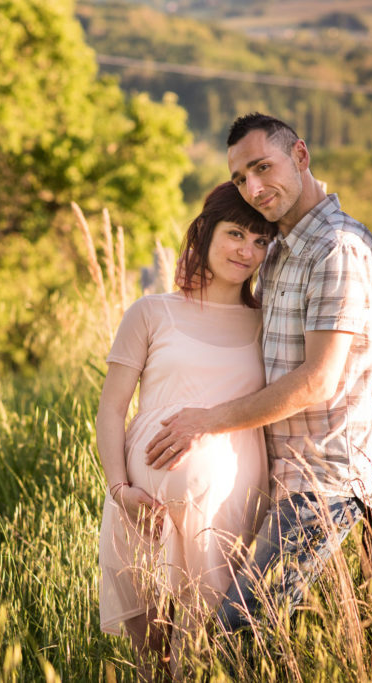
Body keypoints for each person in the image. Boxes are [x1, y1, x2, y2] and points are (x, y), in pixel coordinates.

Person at [143, 112, 372, 632]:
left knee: (236, 634)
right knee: (239, 637)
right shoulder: (279, 250)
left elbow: (318, 381)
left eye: (262, 167)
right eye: (239, 178)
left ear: (300, 155)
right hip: (279, 478)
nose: (253, 188)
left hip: (322, 483)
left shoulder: (334, 250)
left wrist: (203, 421)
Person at [96, 182, 276, 678]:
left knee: (207, 653)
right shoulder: (152, 312)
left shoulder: (267, 323)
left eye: (261, 241)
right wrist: (119, 489)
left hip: (226, 508)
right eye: (235, 233)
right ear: (205, 232)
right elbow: (111, 409)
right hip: (142, 509)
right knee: (153, 659)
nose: (246, 250)